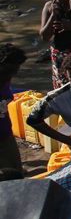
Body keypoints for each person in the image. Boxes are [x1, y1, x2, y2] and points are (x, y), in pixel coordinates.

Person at [0, 44, 29, 179]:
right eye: (9, 70)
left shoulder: (5, 78)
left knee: (16, 174)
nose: (12, 75)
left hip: (6, 134)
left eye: (15, 71)